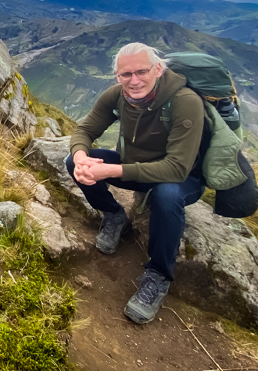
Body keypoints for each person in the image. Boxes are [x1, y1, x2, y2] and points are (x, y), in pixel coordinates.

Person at [66, 42, 204, 324]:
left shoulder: (184, 101)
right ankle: (115, 216)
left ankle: (158, 274)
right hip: (134, 166)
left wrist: (112, 171)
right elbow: (85, 129)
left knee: (165, 196)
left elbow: (176, 168)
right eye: (125, 74)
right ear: (117, 76)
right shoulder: (117, 96)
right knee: (72, 161)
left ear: (158, 69)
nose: (134, 80)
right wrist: (81, 158)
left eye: (141, 72)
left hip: (183, 178)